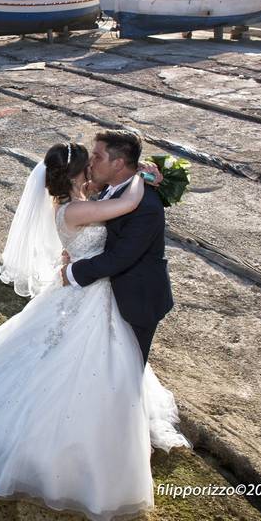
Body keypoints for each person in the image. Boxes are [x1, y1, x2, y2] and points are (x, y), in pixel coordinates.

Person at [0, 139, 189, 521]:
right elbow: (124, 206)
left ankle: (118, 428)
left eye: (98, 156)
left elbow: (116, 215)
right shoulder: (81, 207)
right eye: (89, 159)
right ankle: (93, 447)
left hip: (96, 290)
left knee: (99, 362)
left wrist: (146, 180)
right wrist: (144, 178)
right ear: (79, 173)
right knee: (91, 363)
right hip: (89, 290)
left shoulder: (78, 200)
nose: (94, 163)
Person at [63, 130, 173, 363]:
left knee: (127, 371)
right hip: (105, 295)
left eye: (97, 157)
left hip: (137, 300)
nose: (91, 163)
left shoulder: (146, 205)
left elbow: (120, 257)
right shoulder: (111, 187)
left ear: (118, 163)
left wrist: (72, 272)